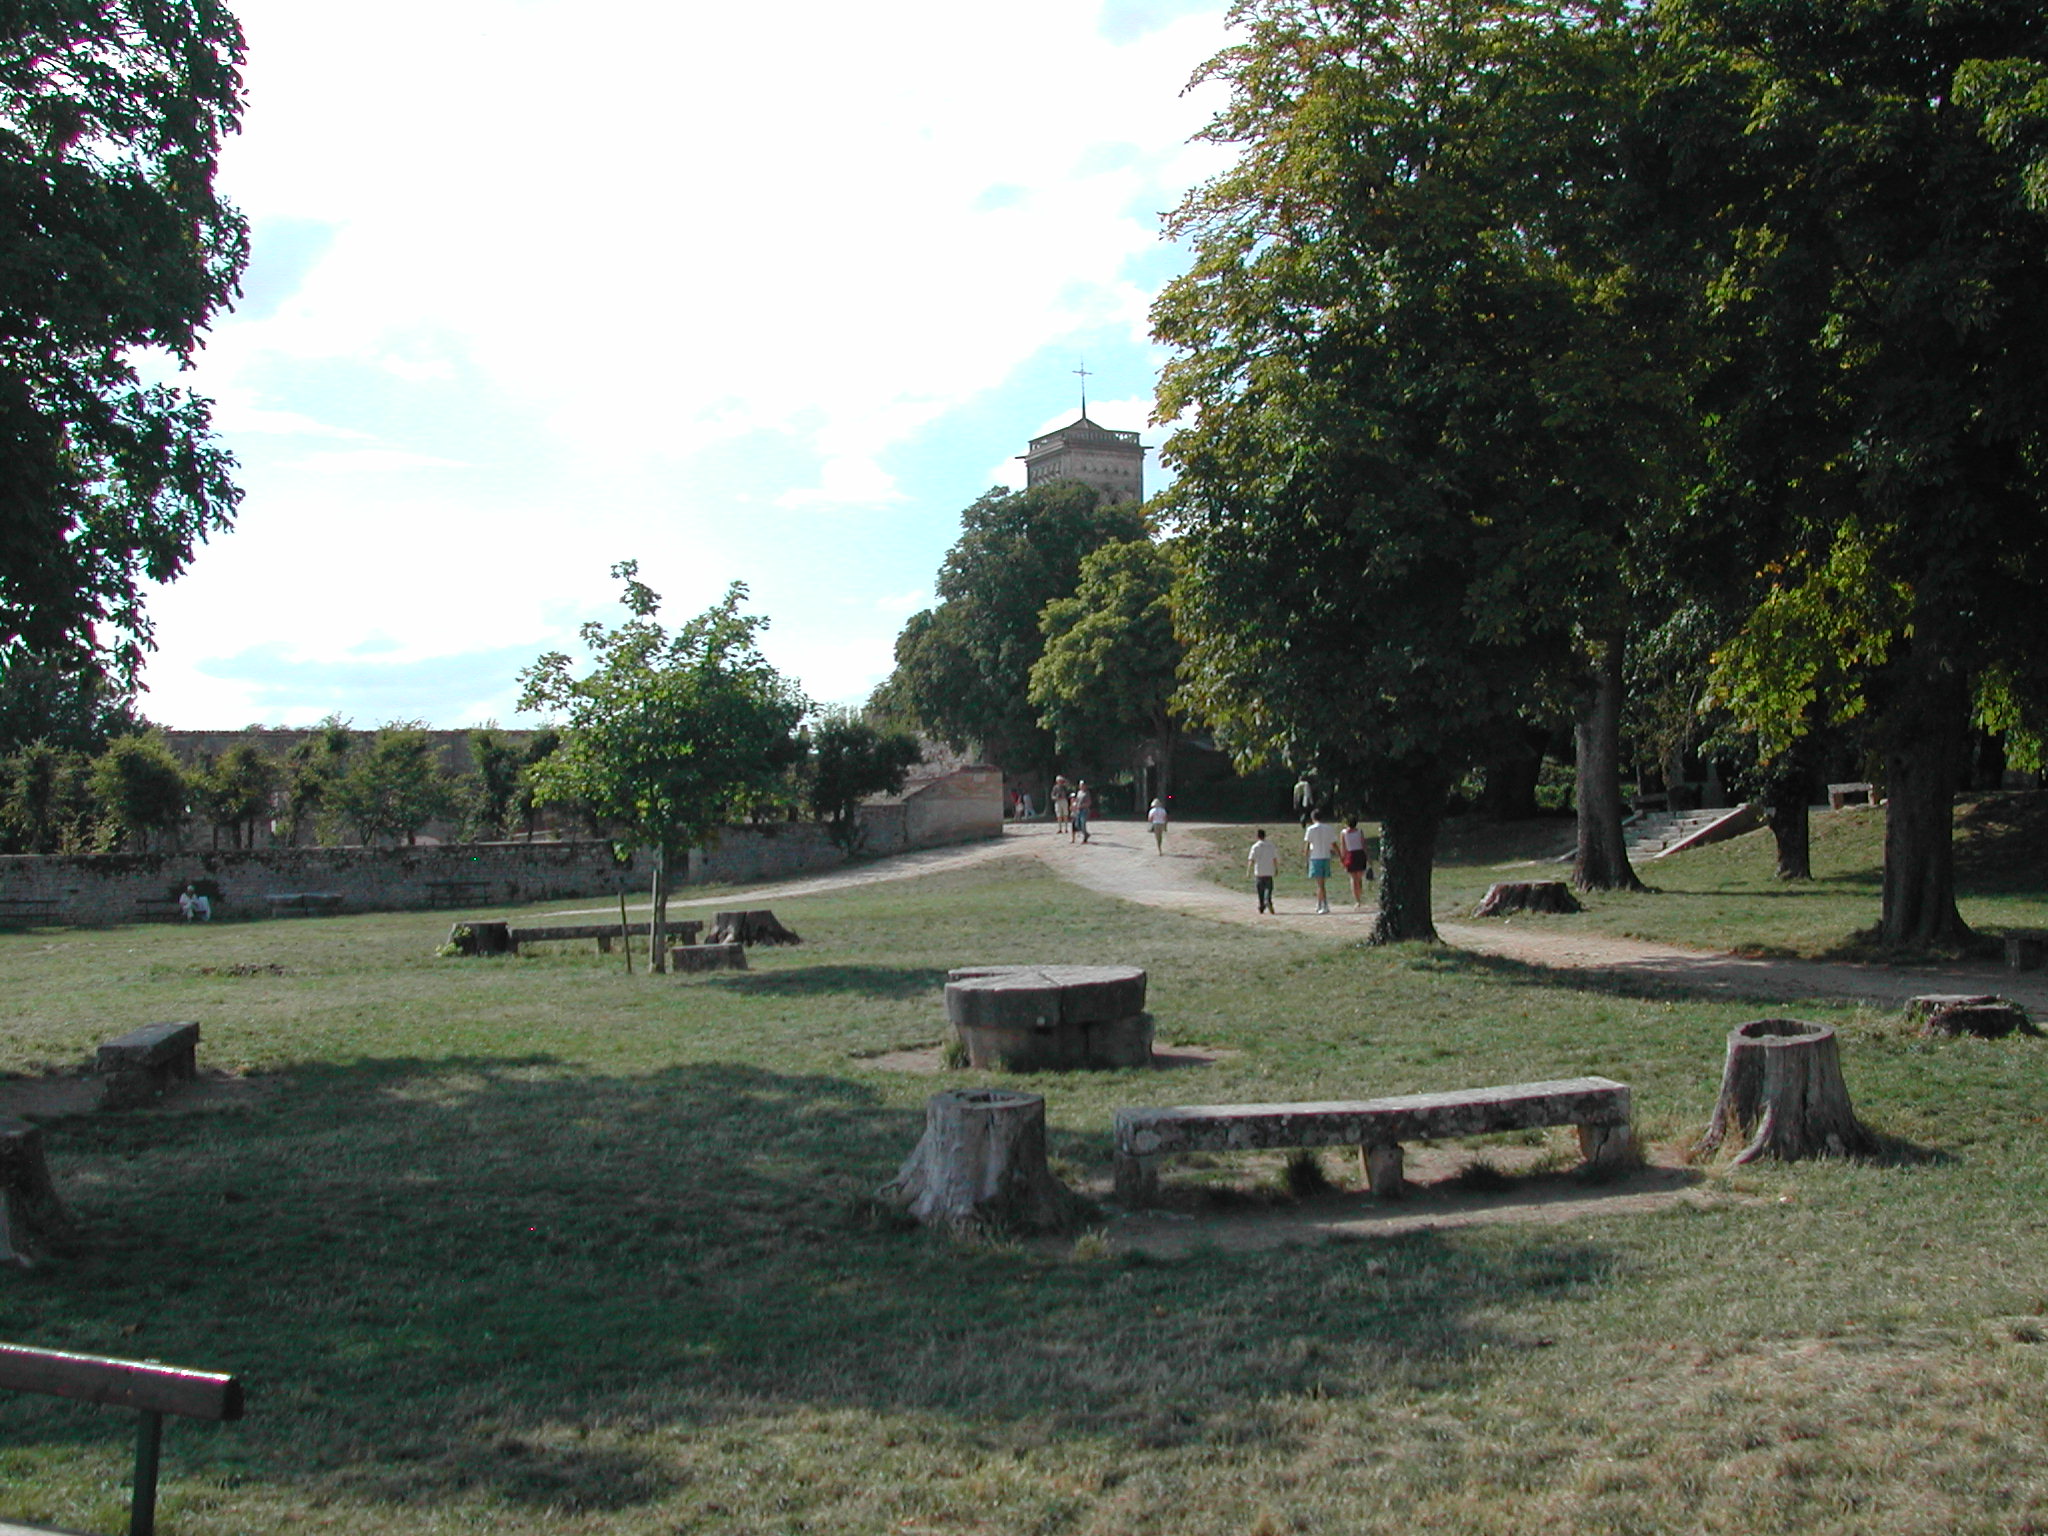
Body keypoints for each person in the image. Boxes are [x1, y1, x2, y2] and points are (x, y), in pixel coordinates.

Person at [1302, 810, 1341, 914]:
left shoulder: (1310, 829)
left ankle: (1324, 905)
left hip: (1315, 857)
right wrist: (1340, 855)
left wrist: (1306, 858)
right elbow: (1334, 844)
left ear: (1312, 818)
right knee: (1321, 883)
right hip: (1326, 857)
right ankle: (1319, 903)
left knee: (1320, 884)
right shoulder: (1329, 828)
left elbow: (1307, 845)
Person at [1340, 816, 1373, 905]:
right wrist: (1368, 857)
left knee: (1354, 878)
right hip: (1360, 854)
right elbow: (1363, 845)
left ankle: (1357, 899)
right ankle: (1359, 896)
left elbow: (1343, 847)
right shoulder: (1359, 832)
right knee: (1359, 877)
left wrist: (1342, 859)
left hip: (1350, 855)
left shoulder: (1343, 833)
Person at [1247, 829, 1280, 912]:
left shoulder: (1255, 846)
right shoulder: (1271, 846)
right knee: (1268, 888)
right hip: (1269, 870)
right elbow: (1274, 858)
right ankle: (1267, 899)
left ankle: (1261, 905)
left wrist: (1248, 871)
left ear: (1257, 836)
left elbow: (1251, 859)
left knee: (1260, 890)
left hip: (1259, 871)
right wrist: (1276, 868)